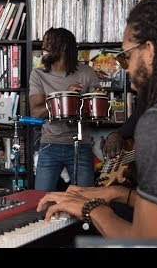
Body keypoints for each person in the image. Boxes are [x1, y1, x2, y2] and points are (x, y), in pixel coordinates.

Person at [37, 0, 157, 239]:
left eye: (126, 57)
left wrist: (91, 208)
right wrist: (120, 194)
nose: (127, 70)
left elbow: (147, 243)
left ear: (150, 51)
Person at [29, 27, 103, 192]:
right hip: (49, 145)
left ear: (63, 46)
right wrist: (65, 97)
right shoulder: (38, 74)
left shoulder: (87, 72)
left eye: (48, 43)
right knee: (40, 201)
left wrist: (96, 99)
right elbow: (36, 112)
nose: (43, 47)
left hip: (81, 146)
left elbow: (95, 111)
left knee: (85, 201)